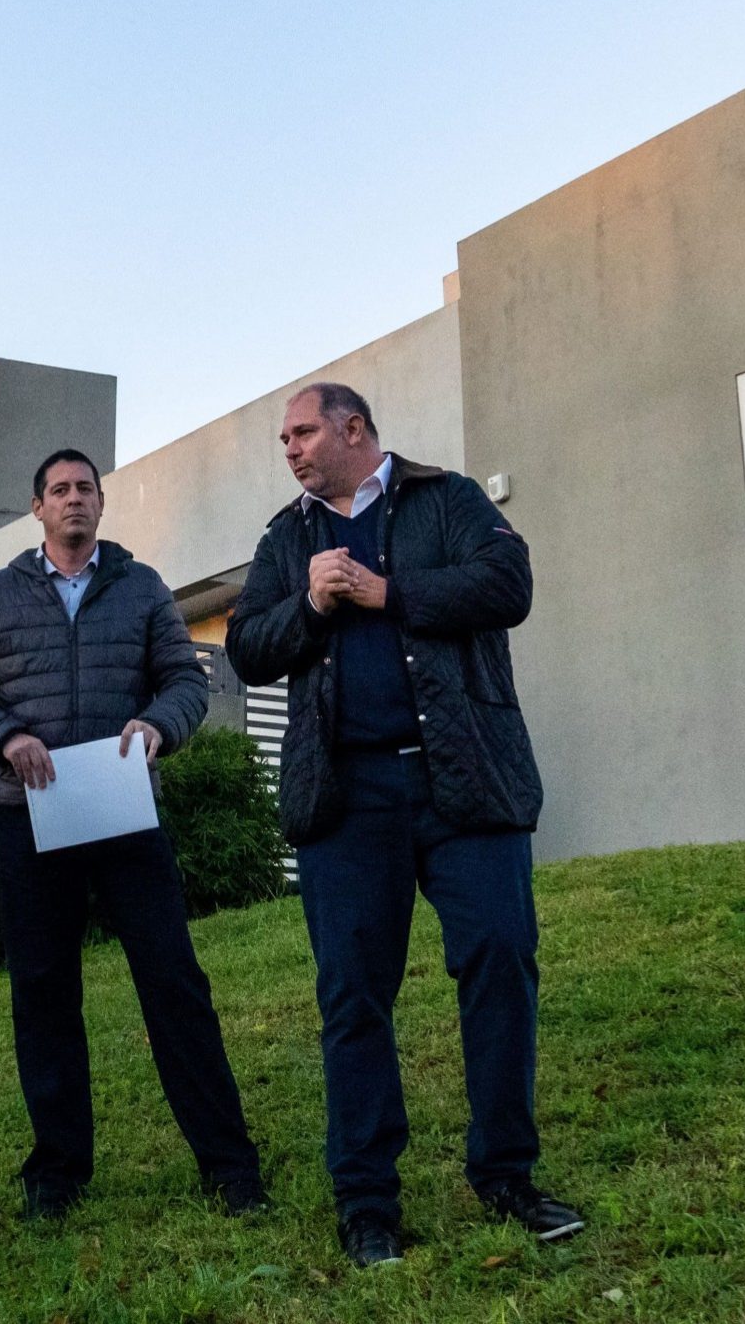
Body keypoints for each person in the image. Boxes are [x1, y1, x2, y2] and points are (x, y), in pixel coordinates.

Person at [225, 383, 583, 1268]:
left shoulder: (447, 498)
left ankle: (506, 1176)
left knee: (501, 959)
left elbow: (509, 582)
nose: (291, 448)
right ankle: (367, 1202)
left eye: (303, 431)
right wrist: (310, 604)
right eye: (284, 437)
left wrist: (386, 591)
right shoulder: (287, 536)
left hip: (466, 781)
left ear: (353, 428)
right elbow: (245, 647)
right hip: (346, 798)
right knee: (352, 996)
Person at [0, 448, 268, 1223]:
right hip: (26, 813)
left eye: (85, 488)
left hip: (123, 805)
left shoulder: (143, 587)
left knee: (173, 981)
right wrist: (3, 739)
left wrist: (159, 726)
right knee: (43, 992)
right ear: (36, 508)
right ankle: (57, 1172)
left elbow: (187, 680)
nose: (73, 499)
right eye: (58, 489)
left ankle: (229, 1164)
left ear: (101, 502)